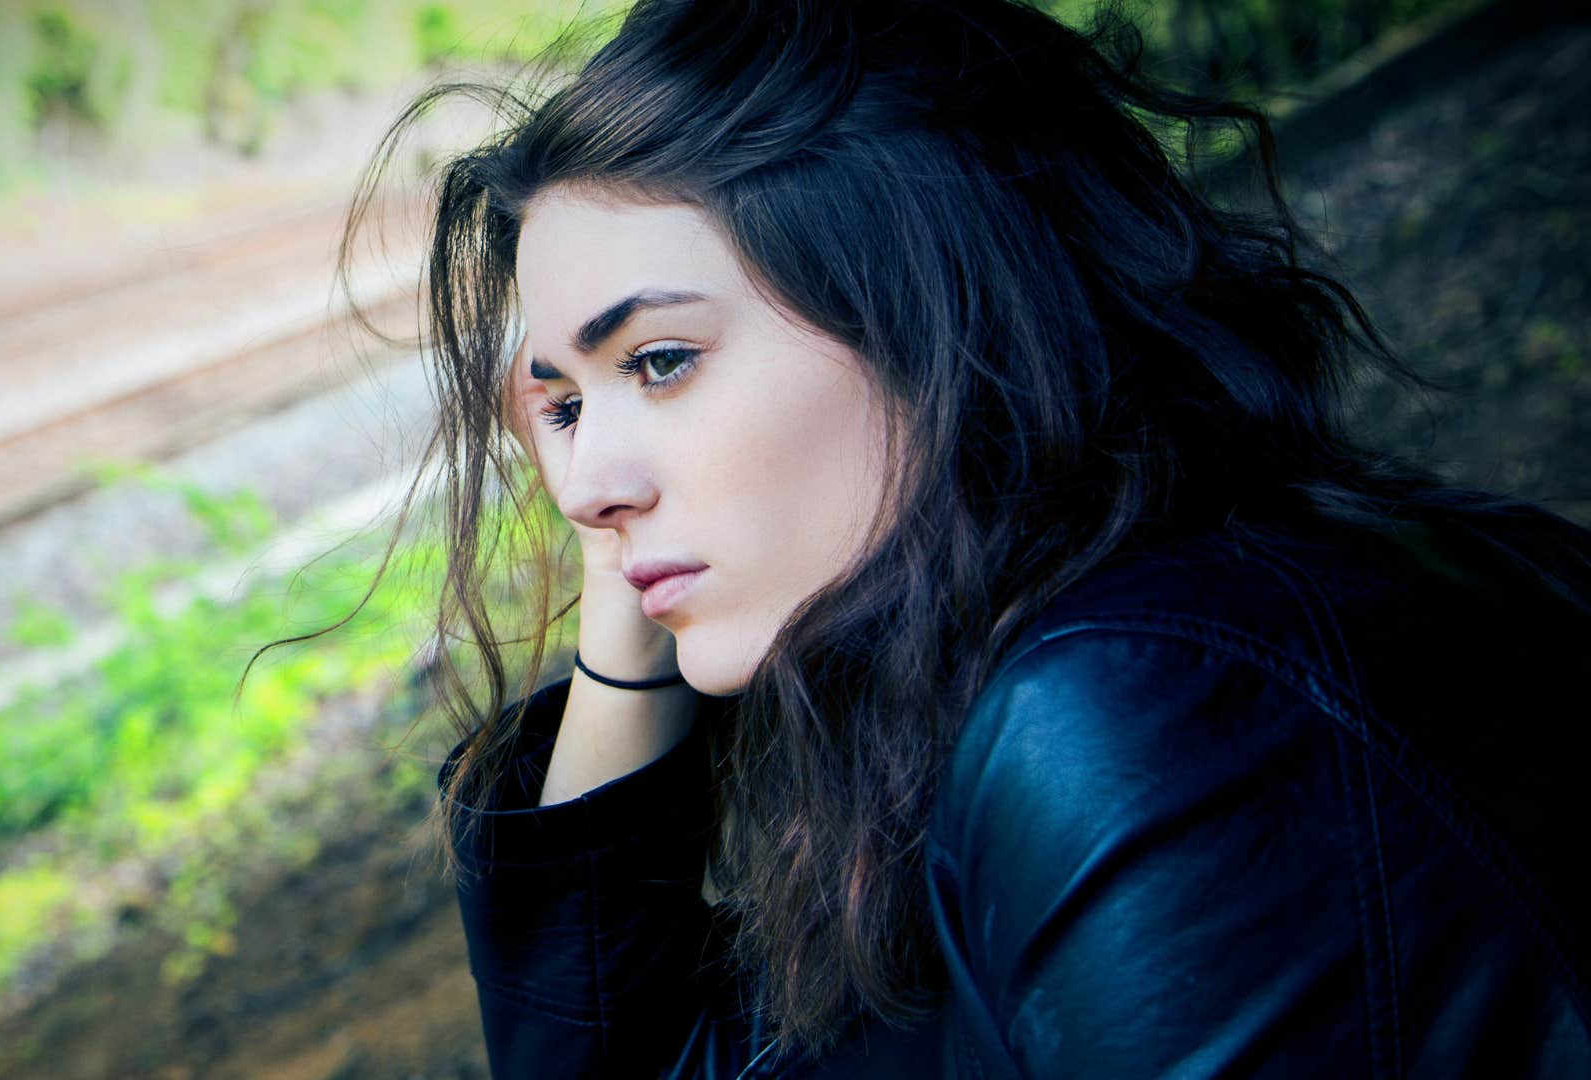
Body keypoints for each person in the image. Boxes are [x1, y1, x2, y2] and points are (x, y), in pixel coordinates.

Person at [257, 0, 1591, 1074]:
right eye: (557, 402)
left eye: (659, 361)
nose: (583, 487)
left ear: (934, 313)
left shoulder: (1151, 712)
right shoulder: (989, 695)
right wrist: (628, 627)